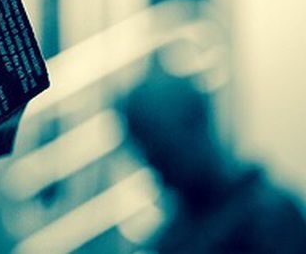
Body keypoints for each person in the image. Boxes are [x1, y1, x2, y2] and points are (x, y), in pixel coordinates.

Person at [119, 70, 306, 253]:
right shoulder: (172, 241)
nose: (155, 168)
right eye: (148, 156)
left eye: (163, 153)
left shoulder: (272, 215)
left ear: (195, 127)